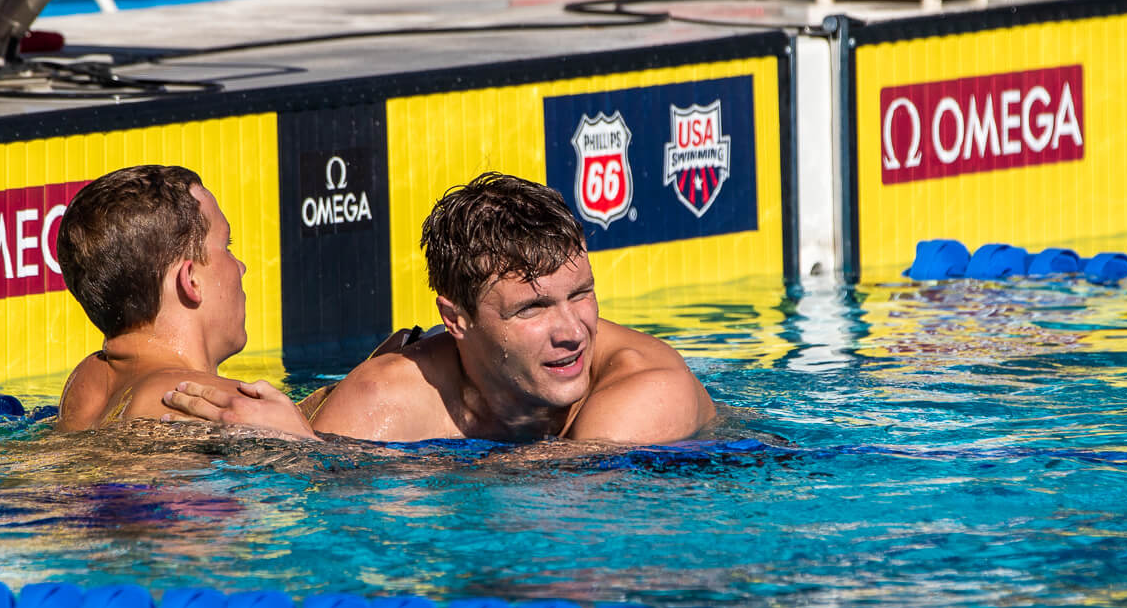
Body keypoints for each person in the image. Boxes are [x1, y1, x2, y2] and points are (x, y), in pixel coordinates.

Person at [166, 171, 716, 445]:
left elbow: (563, 515)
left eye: (581, 294)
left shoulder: (643, 390)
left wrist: (303, 452)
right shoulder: (389, 393)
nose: (572, 331)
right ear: (456, 319)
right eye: (532, 309)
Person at [53, 164, 316, 438]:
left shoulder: (85, 383)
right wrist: (304, 440)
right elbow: (330, 475)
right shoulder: (214, 405)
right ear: (191, 280)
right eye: (227, 246)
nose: (241, 267)